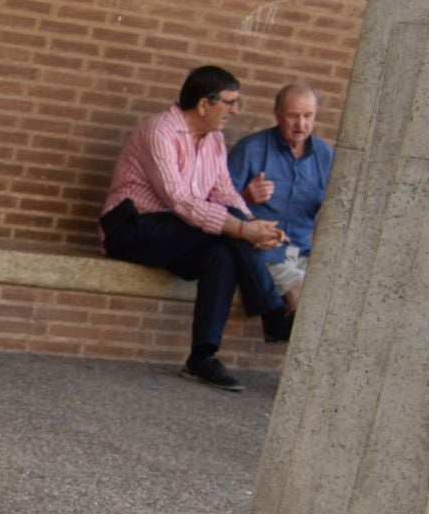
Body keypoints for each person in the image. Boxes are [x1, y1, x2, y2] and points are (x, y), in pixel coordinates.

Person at [99, 65, 293, 392]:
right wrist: (243, 231)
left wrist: (252, 224)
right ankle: (273, 315)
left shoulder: (214, 139)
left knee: (222, 254)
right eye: (230, 102)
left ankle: (202, 357)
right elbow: (179, 200)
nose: (235, 110)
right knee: (225, 234)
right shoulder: (159, 132)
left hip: (178, 233)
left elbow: (224, 192)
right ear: (204, 104)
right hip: (131, 229)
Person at [226, 81, 332, 313]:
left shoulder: (325, 156)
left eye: (308, 116)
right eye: (293, 116)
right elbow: (217, 203)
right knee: (305, 302)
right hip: (264, 253)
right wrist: (245, 196)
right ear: (277, 114)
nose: (301, 124)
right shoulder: (251, 149)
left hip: (305, 253)